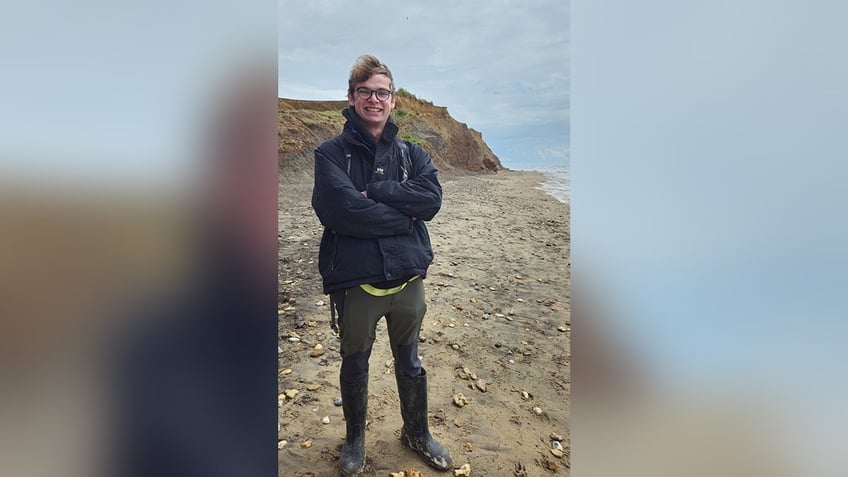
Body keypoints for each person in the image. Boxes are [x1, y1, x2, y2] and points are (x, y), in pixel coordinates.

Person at [312, 54, 452, 476]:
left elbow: (431, 201)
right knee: (354, 362)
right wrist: (403, 214)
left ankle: (416, 432)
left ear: (393, 100)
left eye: (383, 92)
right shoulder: (329, 154)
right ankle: (355, 441)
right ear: (352, 97)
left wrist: (377, 190)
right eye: (366, 91)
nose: (375, 99)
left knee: (410, 360)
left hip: (408, 278)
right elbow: (340, 211)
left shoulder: (412, 154)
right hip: (356, 282)